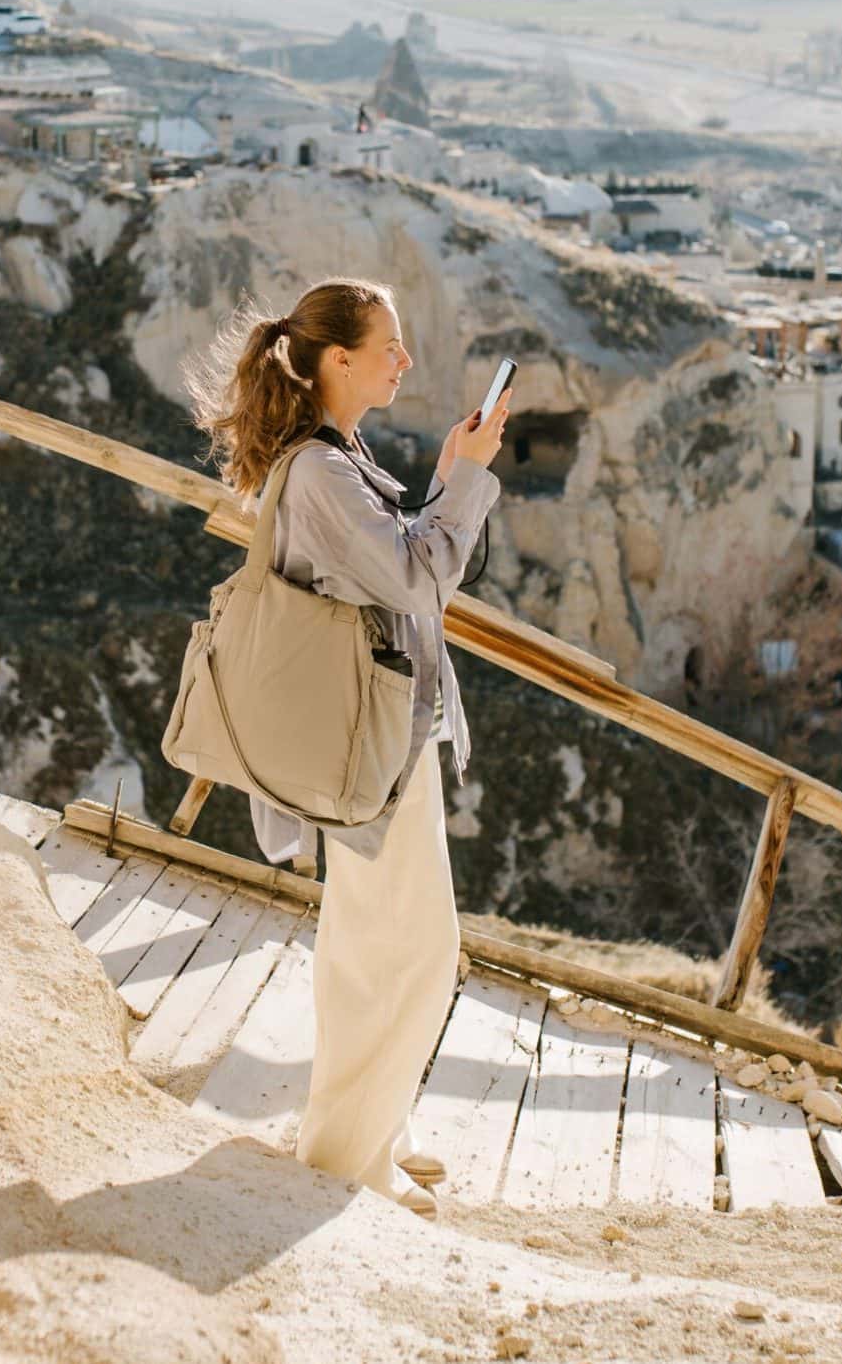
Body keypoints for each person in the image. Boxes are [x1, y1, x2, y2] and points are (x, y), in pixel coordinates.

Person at [187, 277, 510, 1219]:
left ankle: (377, 1129)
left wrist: (450, 472)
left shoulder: (334, 453)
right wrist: (465, 479)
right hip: (366, 745)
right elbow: (415, 574)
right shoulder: (325, 471)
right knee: (410, 949)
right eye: (389, 346)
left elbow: (389, 561)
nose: (404, 361)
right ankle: (343, 1155)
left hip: (381, 735)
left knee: (371, 937)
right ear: (337, 360)